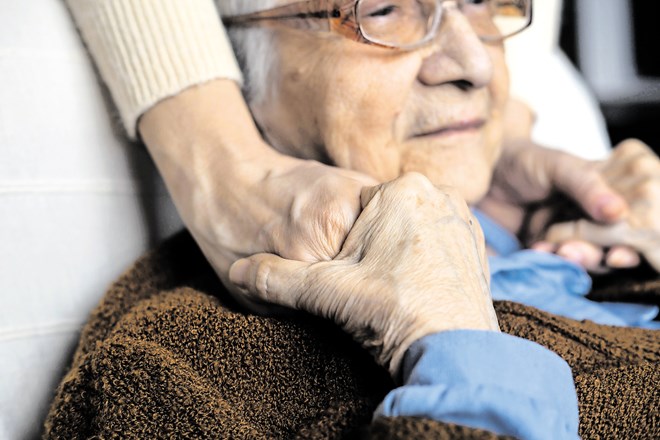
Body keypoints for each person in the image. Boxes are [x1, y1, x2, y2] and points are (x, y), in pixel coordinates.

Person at [45, 0, 659, 437]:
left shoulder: (586, 233)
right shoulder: (173, 367)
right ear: (241, 79)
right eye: (383, 10)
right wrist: (452, 343)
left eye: (478, 2)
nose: (472, 64)